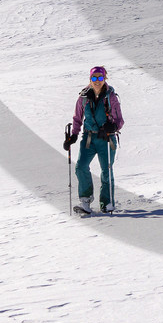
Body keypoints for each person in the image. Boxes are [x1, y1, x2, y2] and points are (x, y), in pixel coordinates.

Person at [64, 65, 124, 214]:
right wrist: (74, 135)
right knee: (81, 167)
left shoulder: (111, 98)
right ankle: (85, 202)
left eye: (100, 78)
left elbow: (119, 121)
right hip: (89, 138)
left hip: (107, 139)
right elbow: (77, 118)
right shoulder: (83, 97)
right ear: (90, 79)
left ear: (105, 79)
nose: (97, 81)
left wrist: (113, 127)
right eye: (94, 78)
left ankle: (107, 203)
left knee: (106, 171)